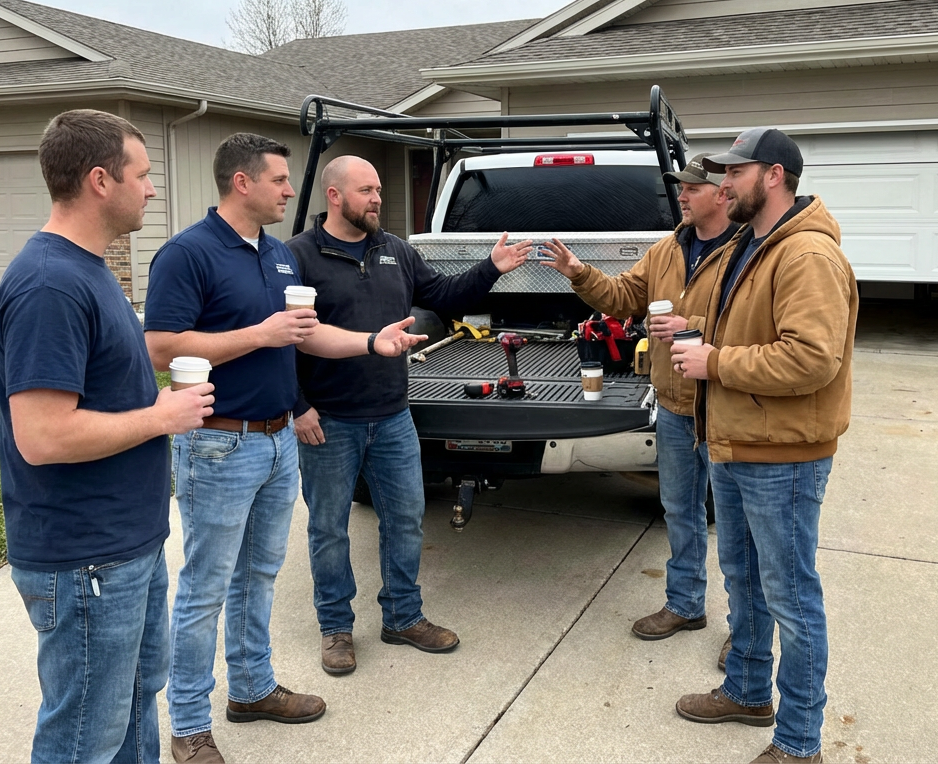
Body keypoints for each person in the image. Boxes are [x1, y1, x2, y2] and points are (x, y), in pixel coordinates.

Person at [144, 137, 424, 763]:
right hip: (218, 445)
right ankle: (188, 726)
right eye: (278, 180)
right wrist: (261, 334)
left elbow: (307, 334)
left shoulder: (276, 256)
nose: (289, 191)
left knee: (259, 577)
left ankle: (252, 688)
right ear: (241, 183)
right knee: (205, 588)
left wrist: (370, 343)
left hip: (276, 443)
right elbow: (162, 348)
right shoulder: (187, 253)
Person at [0, 109, 215, 763]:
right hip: (83, 558)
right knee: (84, 737)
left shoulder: (89, 270)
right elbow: (43, 436)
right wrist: (162, 417)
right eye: (143, 175)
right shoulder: (49, 285)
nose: (151, 189)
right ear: (99, 180)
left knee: (132, 712)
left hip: (124, 547)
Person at [288, 155, 532, 675]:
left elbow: (443, 295)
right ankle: (336, 629)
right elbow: (283, 340)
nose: (377, 198)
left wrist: (491, 269)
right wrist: (297, 405)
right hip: (328, 421)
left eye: (378, 189)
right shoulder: (299, 257)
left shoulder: (394, 250)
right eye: (366, 190)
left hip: (393, 417)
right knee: (329, 529)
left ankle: (403, 616)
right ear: (334, 196)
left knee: (405, 521)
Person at [670, 128, 858, 764]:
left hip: (785, 456)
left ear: (772, 175)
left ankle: (801, 744)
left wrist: (715, 361)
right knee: (744, 581)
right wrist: (695, 334)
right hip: (736, 443)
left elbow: (812, 359)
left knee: (791, 597)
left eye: (734, 172)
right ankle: (748, 692)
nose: (721, 184)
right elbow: (752, 330)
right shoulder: (750, 247)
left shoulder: (806, 255)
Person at [540, 155, 738, 648]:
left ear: (722, 194)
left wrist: (690, 330)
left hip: (727, 409)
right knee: (679, 510)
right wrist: (578, 271)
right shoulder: (669, 248)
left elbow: (753, 328)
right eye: (681, 187)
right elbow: (624, 295)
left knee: (738, 527)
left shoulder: (748, 250)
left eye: (693, 188)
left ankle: (747, 632)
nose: (683, 195)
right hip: (674, 406)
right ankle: (685, 605)